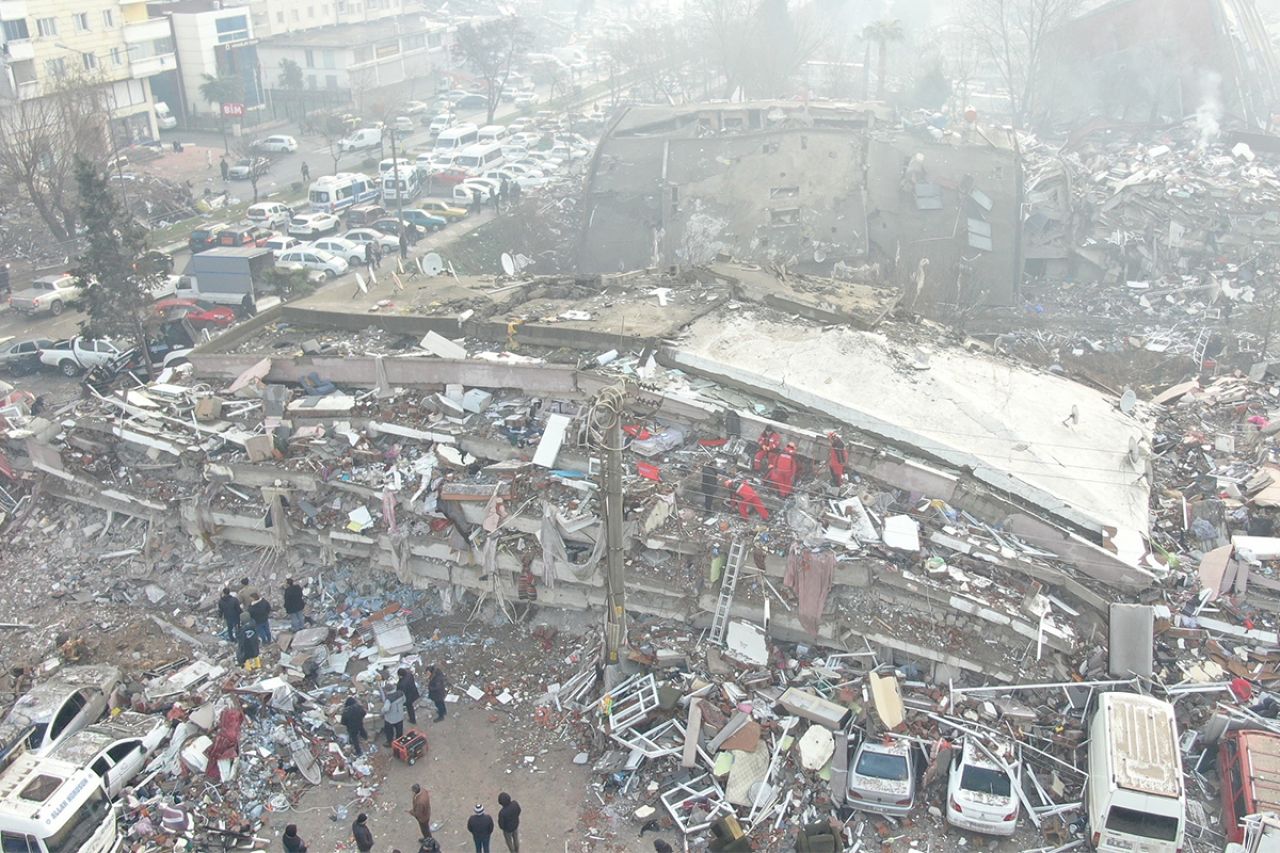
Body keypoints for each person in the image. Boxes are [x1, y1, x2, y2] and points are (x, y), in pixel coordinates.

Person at [382, 680, 406, 746]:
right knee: (399, 730)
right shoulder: (401, 693)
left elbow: (386, 709)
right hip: (400, 716)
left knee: (389, 731)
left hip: (390, 719)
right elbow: (404, 700)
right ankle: (399, 742)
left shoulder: (389, 699)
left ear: (387, 691)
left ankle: (389, 742)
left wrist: (382, 711)